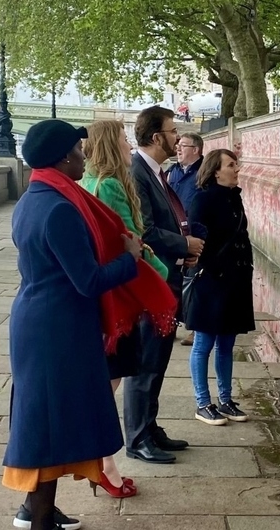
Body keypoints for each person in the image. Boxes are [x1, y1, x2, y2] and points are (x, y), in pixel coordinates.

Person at [4, 119, 176, 530]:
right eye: (79, 151)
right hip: (56, 329)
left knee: (51, 417)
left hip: (43, 320)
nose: (85, 157)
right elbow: (89, 281)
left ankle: (34, 509)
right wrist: (130, 256)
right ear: (63, 157)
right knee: (49, 424)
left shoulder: (35, 197)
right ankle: (40, 519)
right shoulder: (60, 208)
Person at [79, 120, 170, 498]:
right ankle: (101, 462)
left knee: (106, 384)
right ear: (109, 146)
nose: (128, 145)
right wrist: (163, 276)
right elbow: (133, 243)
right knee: (108, 386)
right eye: (122, 139)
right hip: (122, 300)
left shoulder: (87, 182)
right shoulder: (112, 185)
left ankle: (105, 465)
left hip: (104, 300)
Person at [124, 106, 205, 464]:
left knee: (158, 358)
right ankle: (138, 437)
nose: (177, 138)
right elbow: (143, 230)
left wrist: (181, 251)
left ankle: (150, 427)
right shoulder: (137, 172)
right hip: (151, 281)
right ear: (156, 137)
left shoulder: (156, 172)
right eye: (173, 132)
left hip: (167, 274)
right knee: (145, 361)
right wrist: (182, 245)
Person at [184, 149, 255, 425]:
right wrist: (212, 266)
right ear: (216, 170)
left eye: (236, 164)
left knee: (227, 343)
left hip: (236, 281)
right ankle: (203, 403)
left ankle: (225, 400)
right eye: (231, 165)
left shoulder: (234, 198)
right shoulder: (202, 200)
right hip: (212, 280)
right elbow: (195, 239)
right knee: (204, 343)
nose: (236, 169)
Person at [168, 132, 204, 347]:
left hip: (193, 234)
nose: (178, 148)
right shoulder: (172, 171)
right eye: (178, 145)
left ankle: (194, 327)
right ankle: (171, 323)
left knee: (194, 282)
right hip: (174, 234)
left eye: (184, 145)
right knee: (174, 281)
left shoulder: (202, 173)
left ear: (196, 149)